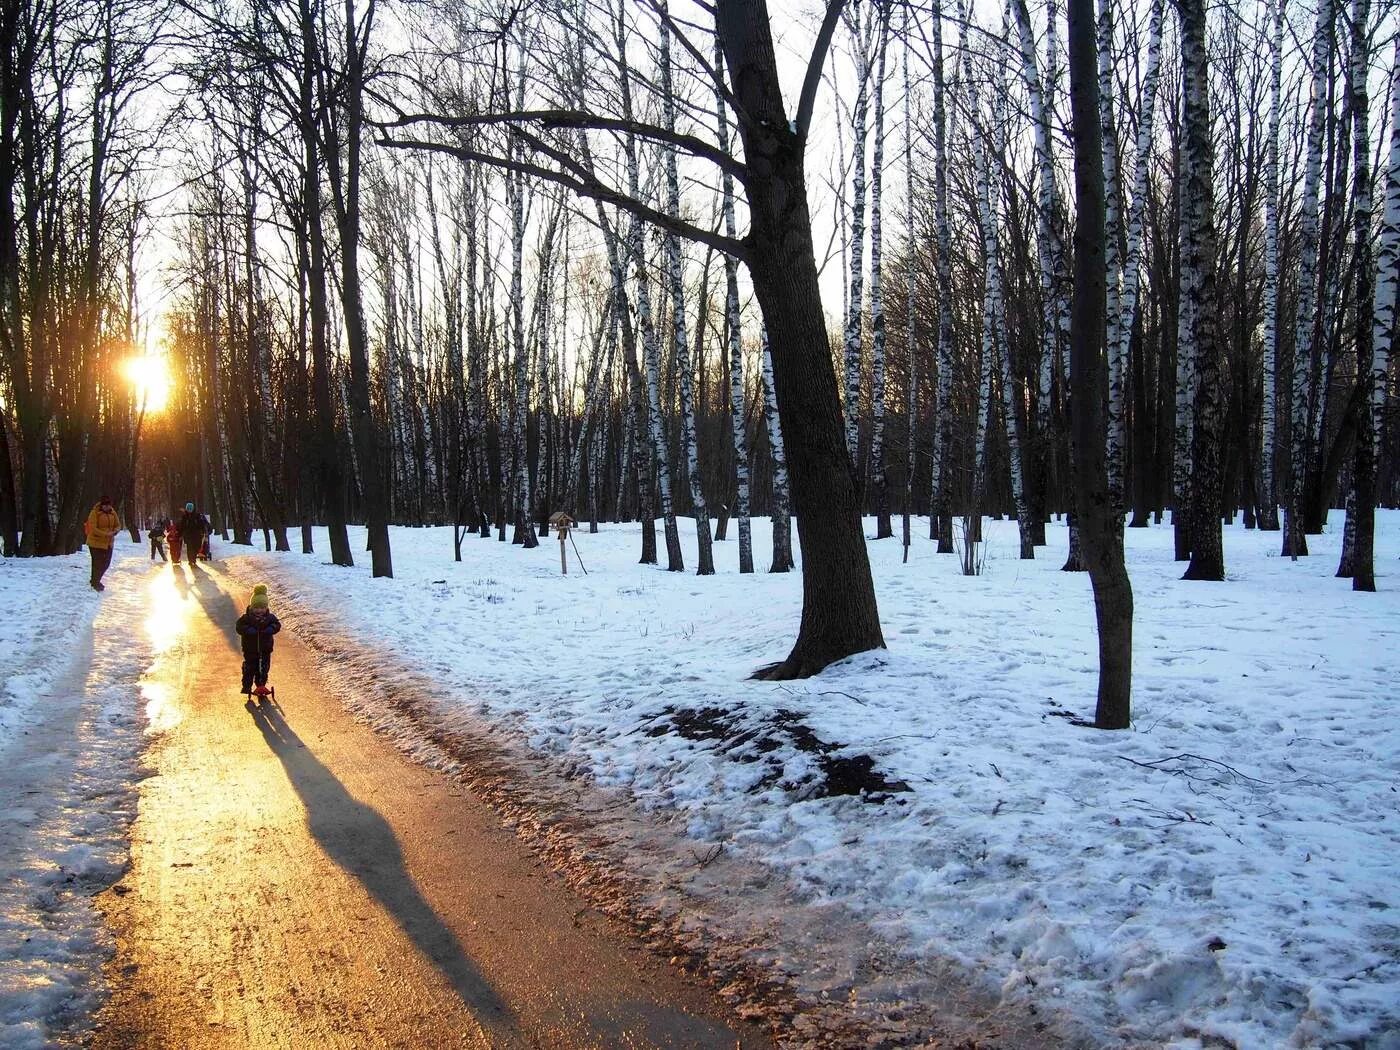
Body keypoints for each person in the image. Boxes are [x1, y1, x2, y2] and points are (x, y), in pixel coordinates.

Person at [235, 584, 281, 696]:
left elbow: (277, 625)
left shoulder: (270, 618)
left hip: (265, 649)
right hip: (250, 649)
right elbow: (239, 627)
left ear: (266, 608)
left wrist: (271, 628)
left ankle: (261, 685)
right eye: (256, 607)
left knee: (263, 669)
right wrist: (248, 630)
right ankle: (246, 686)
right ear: (251, 607)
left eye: (262, 608)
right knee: (250, 668)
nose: (259, 610)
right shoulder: (246, 618)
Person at [84, 495, 120, 591]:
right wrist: (105, 534)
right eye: (105, 505)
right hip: (95, 542)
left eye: (108, 505)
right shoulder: (94, 513)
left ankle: (95, 580)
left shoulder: (113, 512)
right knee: (97, 563)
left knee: (106, 563)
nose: (107, 507)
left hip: (108, 543)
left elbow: (118, 524)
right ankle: (95, 583)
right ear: (101, 505)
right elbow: (93, 528)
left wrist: (115, 531)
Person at [177, 502, 206, 566]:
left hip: (196, 535)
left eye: (190, 509)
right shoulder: (185, 517)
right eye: (188, 509)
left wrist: (203, 531)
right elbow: (182, 526)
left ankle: (193, 559)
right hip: (188, 535)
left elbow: (201, 524)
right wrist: (180, 534)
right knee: (190, 548)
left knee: (196, 547)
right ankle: (191, 561)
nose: (189, 510)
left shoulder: (197, 516)